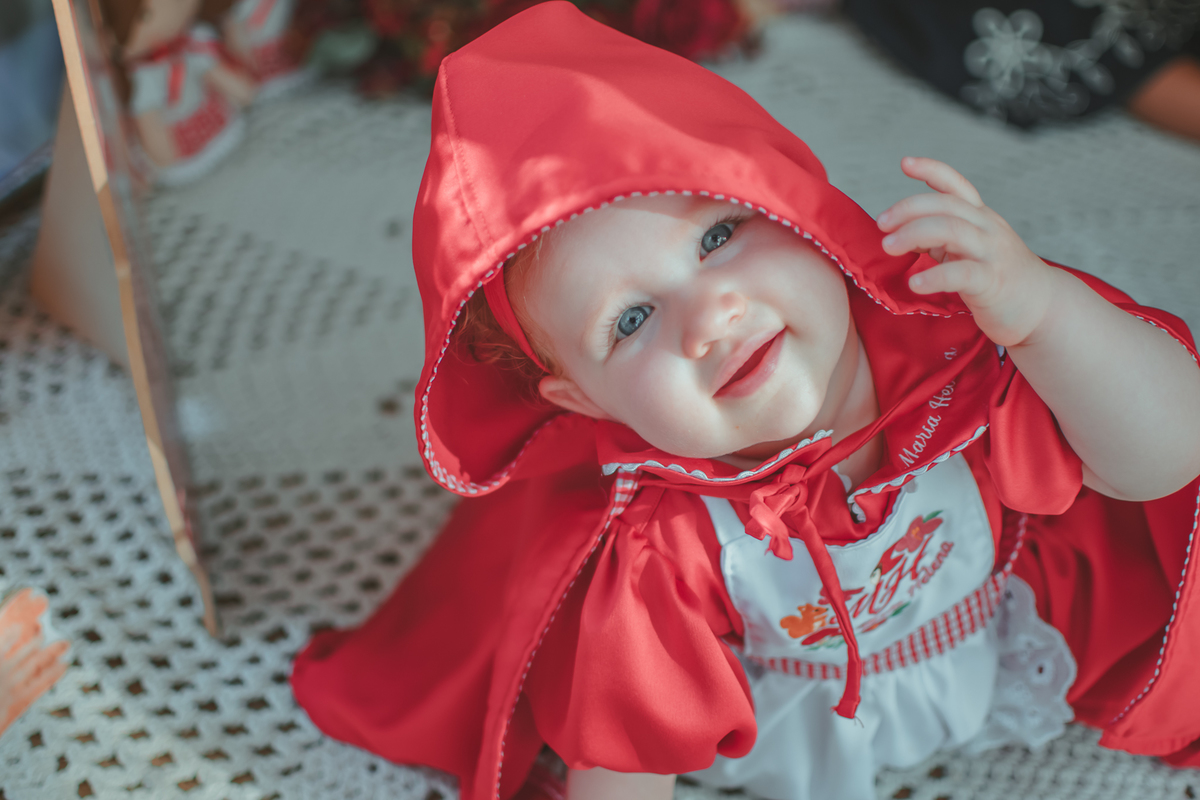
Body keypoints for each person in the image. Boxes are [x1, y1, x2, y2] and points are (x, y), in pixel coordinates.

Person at [289, 4, 1200, 799]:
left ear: (797, 205)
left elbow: (1169, 455)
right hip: (794, 731)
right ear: (584, 400)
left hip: (986, 648)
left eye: (720, 234)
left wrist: (1043, 314)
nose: (711, 318)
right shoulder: (665, 541)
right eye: (632, 320)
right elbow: (625, 748)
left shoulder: (961, 354)